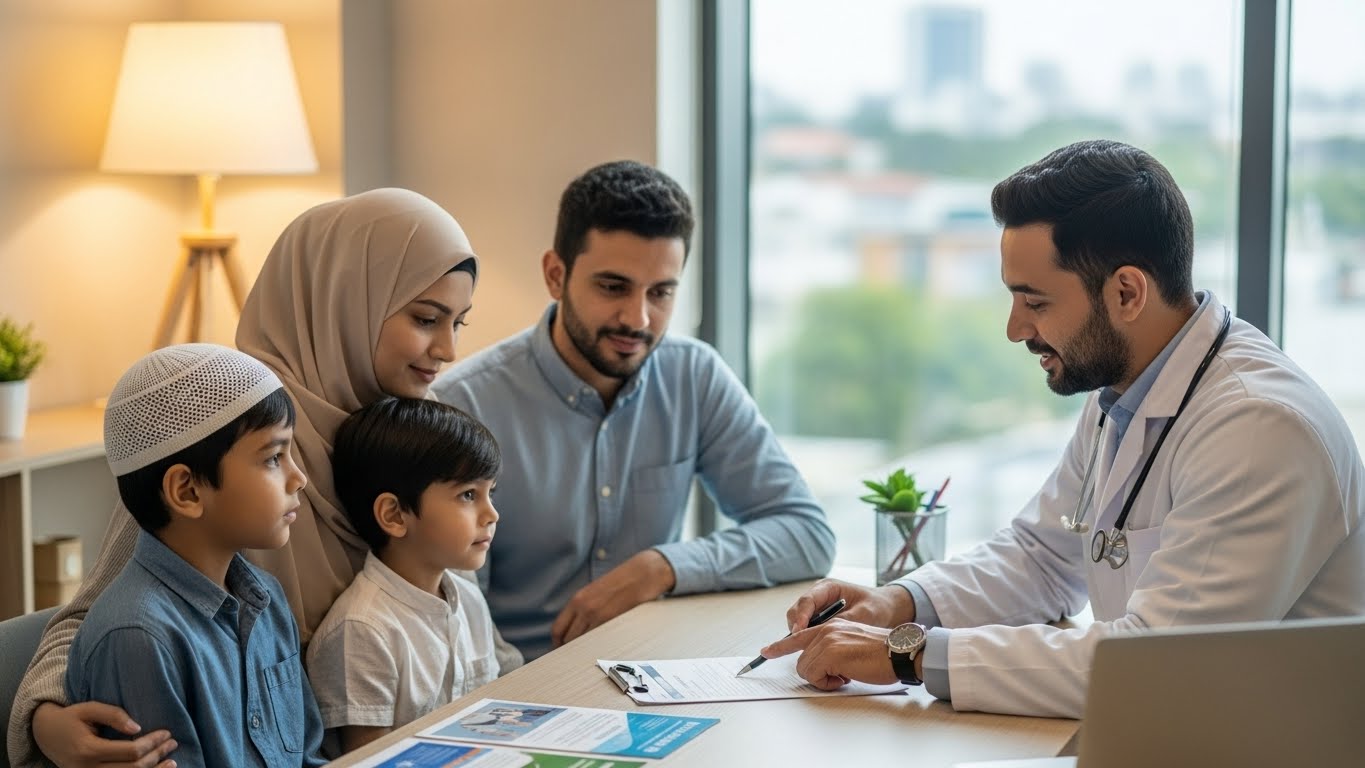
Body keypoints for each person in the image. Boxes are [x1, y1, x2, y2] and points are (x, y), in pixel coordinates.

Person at [763, 139, 1365, 718]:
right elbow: (1044, 558)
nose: (1014, 328)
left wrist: (910, 653)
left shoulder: (1257, 428)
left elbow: (1156, 666)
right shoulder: (1126, 387)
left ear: (1127, 292)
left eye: (1036, 302)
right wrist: (898, 602)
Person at [9, 188, 518, 767]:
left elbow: (467, 629)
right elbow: (97, 615)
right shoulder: (227, 424)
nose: (448, 348)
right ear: (342, 301)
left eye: (459, 322)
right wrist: (44, 719)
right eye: (426, 319)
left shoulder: (414, 434)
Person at [433, 160, 837, 660]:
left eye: (661, 292)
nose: (638, 318)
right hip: (519, 686)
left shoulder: (694, 376)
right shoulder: (463, 405)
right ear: (556, 275)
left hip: (659, 679)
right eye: (613, 287)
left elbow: (806, 533)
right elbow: (456, 614)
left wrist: (662, 567)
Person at [66, 344, 324, 767]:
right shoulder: (138, 639)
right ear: (186, 491)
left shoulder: (268, 599)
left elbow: (308, 756)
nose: (299, 477)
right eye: (274, 457)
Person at [307, 397, 502, 754]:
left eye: (491, 493)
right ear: (395, 516)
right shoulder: (363, 630)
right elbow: (371, 759)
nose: (491, 514)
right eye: (468, 495)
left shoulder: (468, 599)